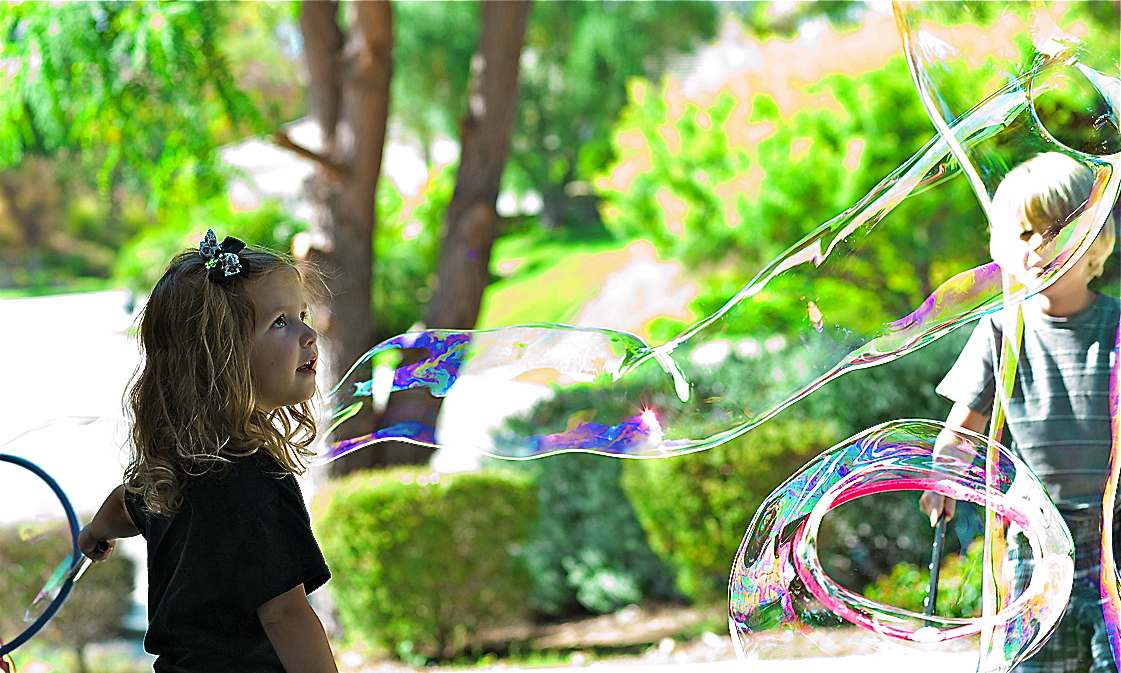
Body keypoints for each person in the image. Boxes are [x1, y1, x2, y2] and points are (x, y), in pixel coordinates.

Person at [77, 230, 338, 673]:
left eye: (302, 314)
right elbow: (285, 614)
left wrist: (95, 533)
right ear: (220, 358)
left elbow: (127, 503)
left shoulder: (172, 466)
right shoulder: (258, 481)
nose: (308, 333)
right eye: (280, 322)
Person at [920, 152, 1119, 673]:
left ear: (1097, 240)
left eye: (1054, 229)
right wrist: (945, 473)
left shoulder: (1118, 329)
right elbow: (965, 425)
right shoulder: (1001, 332)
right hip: (1035, 541)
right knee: (1036, 662)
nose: (1038, 246)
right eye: (1025, 233)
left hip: (1115, 537)